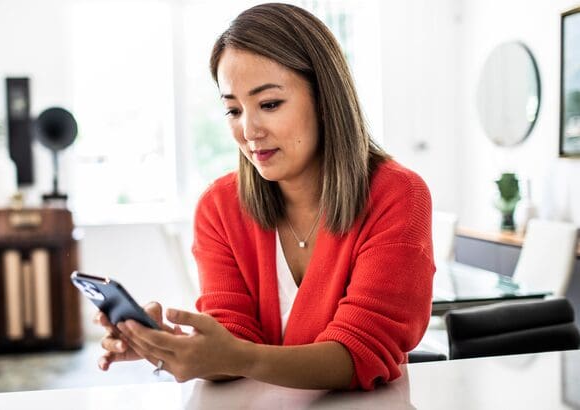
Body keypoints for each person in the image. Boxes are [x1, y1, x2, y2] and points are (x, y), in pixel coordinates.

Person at [93, 3, 434, 390]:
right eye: (233, 110)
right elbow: (233, 339)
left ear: (325, 100)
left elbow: (362, 352)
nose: (249, 130)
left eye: (269, 104)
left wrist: (236, 356)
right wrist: (170, 345)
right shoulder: (219, 207)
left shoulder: (397, 195)